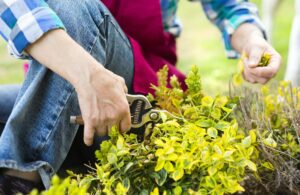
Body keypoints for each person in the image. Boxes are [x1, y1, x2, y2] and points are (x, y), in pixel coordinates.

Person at [0, 0, 281, 193]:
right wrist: (87, 74)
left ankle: (20, 182)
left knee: (71, 7)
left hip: (141, 101)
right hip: (59, 106)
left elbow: (227, 6)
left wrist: (253, 40)